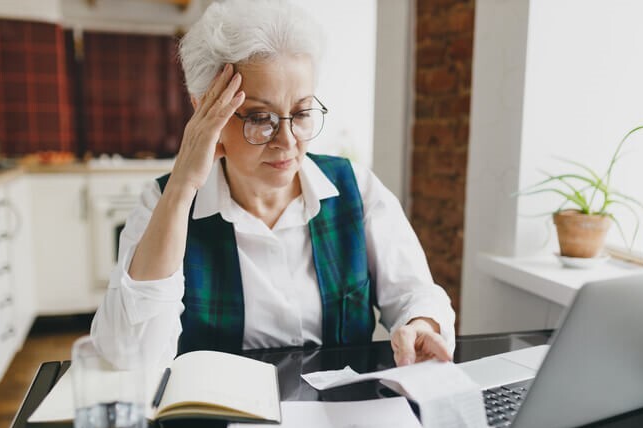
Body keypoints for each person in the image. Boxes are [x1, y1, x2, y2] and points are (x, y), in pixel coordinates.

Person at [91, 0, 455, 369]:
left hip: (339, 418)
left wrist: (420, 323)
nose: (287, 140)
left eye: (300, 113)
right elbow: (129, 356)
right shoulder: (163, 202)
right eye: (260, 118)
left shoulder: (355, 189)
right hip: (216, 423)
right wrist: (183, 187)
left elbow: (416, 293)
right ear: (205, 109)